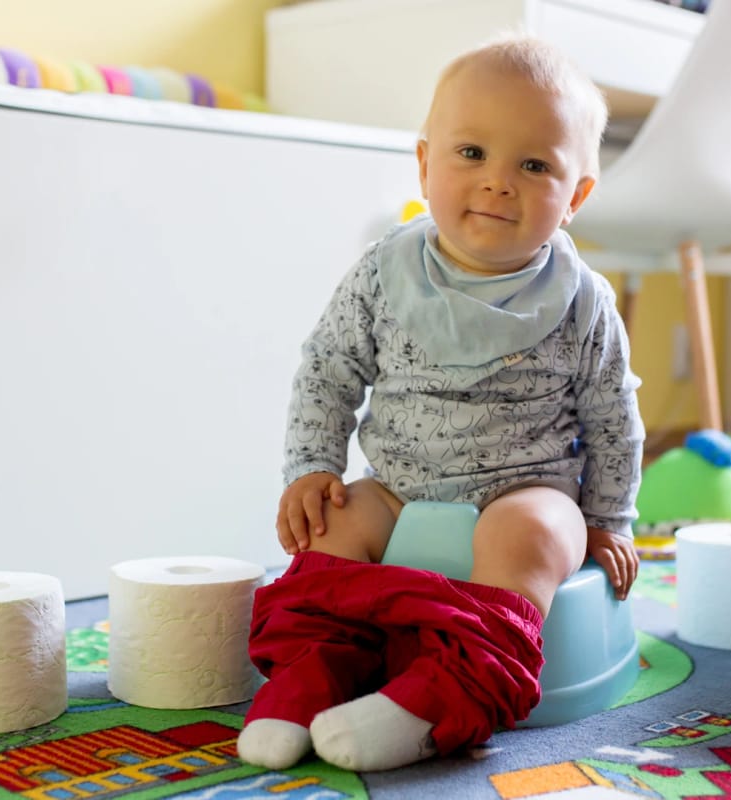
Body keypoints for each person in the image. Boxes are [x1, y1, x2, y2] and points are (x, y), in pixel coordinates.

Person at [236, 34, 645, 772]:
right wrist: (311, 467)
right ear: (426, 162)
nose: (497, 183)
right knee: (333, 522)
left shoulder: (583, 301)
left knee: (534, 536)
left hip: (529, 486)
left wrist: (606, 518)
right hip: (397, 487)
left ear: (576, 195)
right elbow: (328, 371)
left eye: (533, 165)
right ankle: (312, 675)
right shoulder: (383, 273)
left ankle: (441, 697)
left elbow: (613, 417)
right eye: (471, 154)